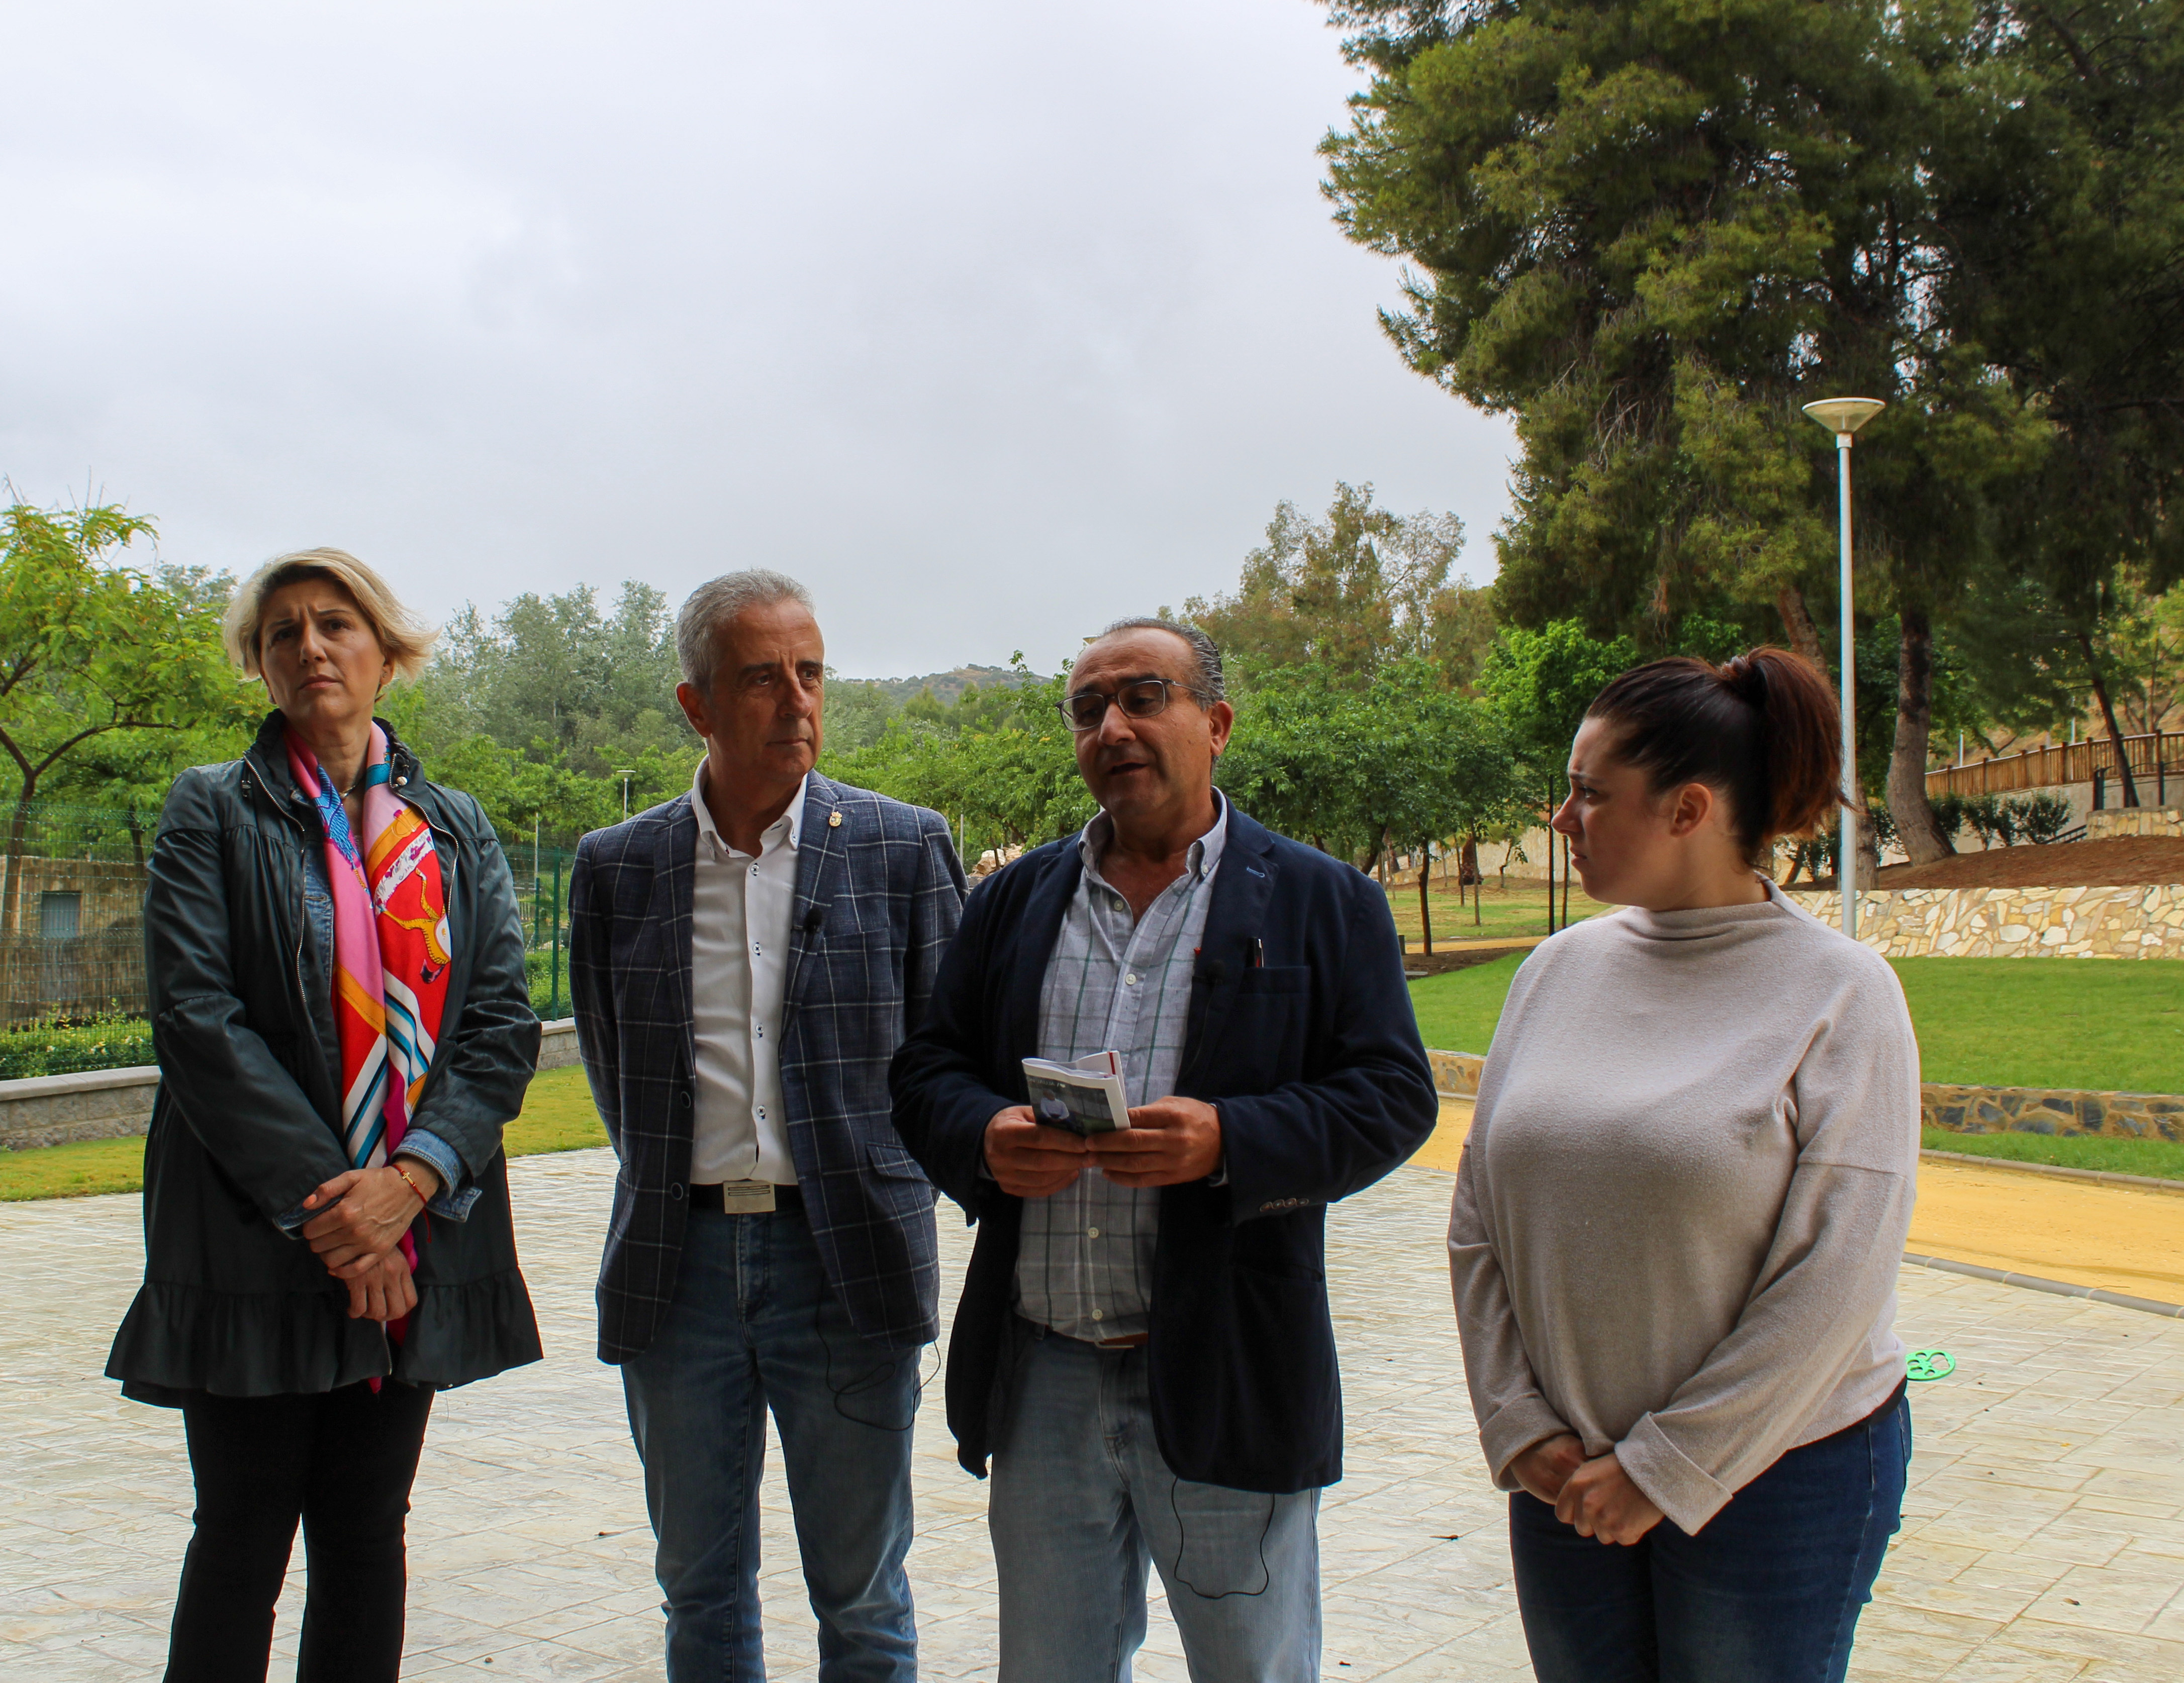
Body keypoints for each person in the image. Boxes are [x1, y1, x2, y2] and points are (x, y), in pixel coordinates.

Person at [891, 618, 1438, 1683]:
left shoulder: (1325, 901)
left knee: (1252, 1666)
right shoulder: (1012, 903)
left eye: (1144, 697)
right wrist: (985, 1139)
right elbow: (927, 1072)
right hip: (1042, 1374)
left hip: (1228, 1366)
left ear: (1216, 723)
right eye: (1088, 709)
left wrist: (1233, 1138)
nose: (1113, 727)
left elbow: (1391, 1097)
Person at [107, 549, 544, 1683]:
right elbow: (199, 1021)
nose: (310, 648)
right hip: (258, 1240)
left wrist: (414, 1182)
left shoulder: (454, 829)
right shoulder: (211, 808)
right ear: (259, 665)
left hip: (415, 1233)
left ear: (387, 655)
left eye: (336, 625)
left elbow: (501, 1025)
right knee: (241, 1540)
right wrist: (340, 1216)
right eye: (283, 632)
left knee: (365, 1537)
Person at [1448, 647, 1920, 1683]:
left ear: (1686, 809)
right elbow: (1480, 1216)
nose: (1559, 820)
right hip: (1565, 1476)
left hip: (1778, 1480)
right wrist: (1517, 1422)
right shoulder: (1552, 973)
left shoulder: (1841, 993)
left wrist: (1667, 1468)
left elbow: (1837, 1275)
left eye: (1586, 794)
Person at [568, 569, 965, 1682]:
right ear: (696, 704)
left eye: (811, 672)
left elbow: (944, 1061)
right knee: (700, 1596)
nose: (797, 700)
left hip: (846, 1266)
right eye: (761, 678)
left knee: (865, 1601)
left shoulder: (901, 847)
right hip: (677, 1271)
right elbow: (614, 1068)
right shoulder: (617, 868)